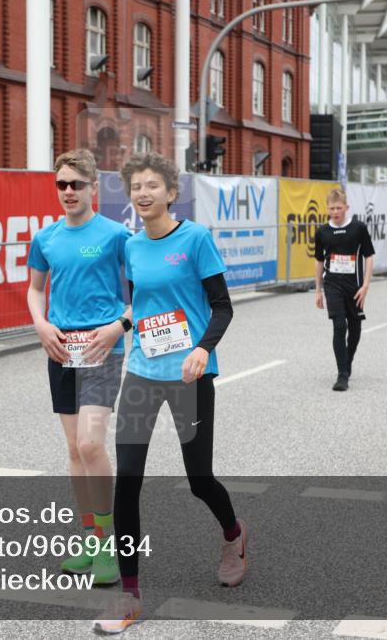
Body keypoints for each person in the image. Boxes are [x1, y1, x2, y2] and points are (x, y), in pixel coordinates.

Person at [93, 152, 247, 634]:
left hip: (189, 373)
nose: (142, 193)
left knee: (200, 478)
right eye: (135, 186)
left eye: (152, 185)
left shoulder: (196, 239)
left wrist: (203, 349)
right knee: (129, 481)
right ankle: (130, 596)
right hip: (142, 371)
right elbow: (141, 304)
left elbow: (222, 307)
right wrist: (119, 326)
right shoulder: (134, 247)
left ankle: (234, 536)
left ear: (171, 192)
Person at [26, 148, 132, 586]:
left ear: (93, 189)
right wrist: (41, 324)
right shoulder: (45, 238)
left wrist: (119, 326)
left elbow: (142, 291)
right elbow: (35, 290)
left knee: (91, 445)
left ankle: (107, 543)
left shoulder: (116, 235)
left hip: (101, 347)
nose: (68, 192)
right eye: (61, 185)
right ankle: (89, 538)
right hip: (61, 349)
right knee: (73, 451)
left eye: (76, 185)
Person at [314, 188, 375, 391]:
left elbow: (368, 256)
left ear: (347, 208)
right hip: (332, 285)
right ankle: (342, 375)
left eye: (339, 208)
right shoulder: (322, 232)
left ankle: (347, 362)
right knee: (339, 326)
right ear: (327, 208)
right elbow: (319, 261)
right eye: (332, 208)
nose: (335, 212)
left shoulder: (358, 228)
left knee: (355, 328)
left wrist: (365, 285)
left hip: (355, 286)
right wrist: (318, 290)